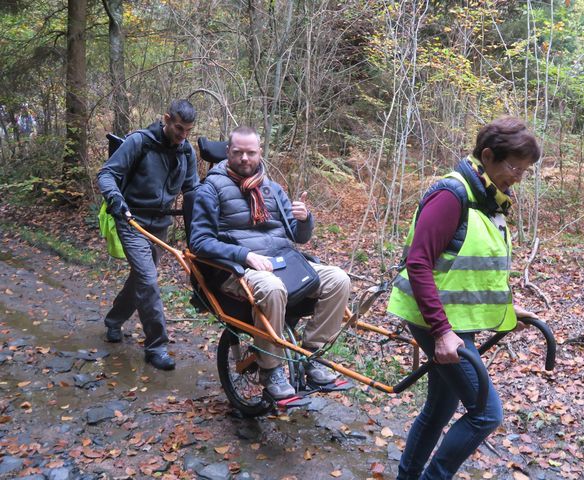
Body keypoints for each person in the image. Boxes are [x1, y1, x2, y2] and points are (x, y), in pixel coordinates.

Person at [387, 117, 541, 479]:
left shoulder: (488, 200)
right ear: (487, 156)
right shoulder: (452, 194)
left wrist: (505, 309)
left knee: (440, 410)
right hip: (433, 319)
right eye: (514, 167)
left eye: (525, 170)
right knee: (486, 414)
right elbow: (419, 262)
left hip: (454, 320)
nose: (519, 176)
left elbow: (475, 269)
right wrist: (441, 332)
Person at [189, 126, 351, 399]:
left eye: (250, 153)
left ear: (259, 153)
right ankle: (271, 369)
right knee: (272, 287)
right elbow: (199, 241)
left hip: (282, 260)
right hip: (237, 268)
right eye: (238, 152)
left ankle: (311, 355)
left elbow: (299, 237)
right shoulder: (211, 189)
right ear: (228, 152)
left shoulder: (273, 189)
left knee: (339, 280)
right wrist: (244, 255)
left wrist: (304, 219)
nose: (244, 158)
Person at [97, 99, 199, 370]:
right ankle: (156, 346)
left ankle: (114, 320)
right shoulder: (139, 142)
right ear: (166, 119)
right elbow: (107, 174)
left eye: (188, 130)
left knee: (141, 279)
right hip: (131, 221)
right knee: (148, 278)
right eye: (179, 128)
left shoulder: (186, 152)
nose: (183, 136)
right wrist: (116, 199)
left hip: (160, 224)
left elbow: (193, 191)